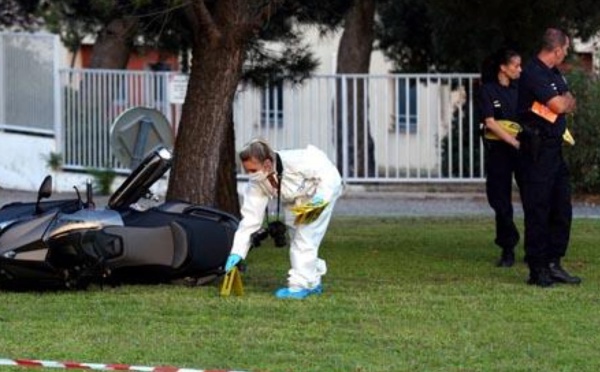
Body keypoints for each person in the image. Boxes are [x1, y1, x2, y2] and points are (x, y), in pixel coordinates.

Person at [224, 139, 343, 299]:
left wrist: (315, 205)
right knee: (297, 237)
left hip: (322, 189)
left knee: (305, 238)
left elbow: (328, 177)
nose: (250, 175)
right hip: (296, 199)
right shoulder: (257, 182)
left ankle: (299, 286)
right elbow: (250, 219)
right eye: (247, 170)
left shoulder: (299, 160)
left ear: (267, 164)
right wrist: (237, 252)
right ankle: (313, 281)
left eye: (253, 170)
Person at [517, 28, 580, 287]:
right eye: (565, 49)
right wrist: (561, 101)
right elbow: (558, 105)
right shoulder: (533, 73)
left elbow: (569, 101)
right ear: (556, 50)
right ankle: (538, 268)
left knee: (561, 208)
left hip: (555, 148)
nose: (566, 53)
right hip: (536, 150)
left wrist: (562, 101)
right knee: (538, 209)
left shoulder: (554, 74)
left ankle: (554, 262)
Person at [477, 48, 523, 267]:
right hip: (500, 152)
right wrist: (513, 141)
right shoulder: (488, 90)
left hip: (523, 151)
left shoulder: (521, 90)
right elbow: (490, 122)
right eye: (516, 66)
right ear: (503, 68)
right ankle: (508, 247)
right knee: (500, 201)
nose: (520, 70)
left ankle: (536, 248)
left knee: (534, 199)